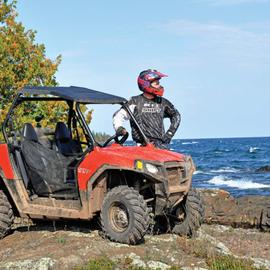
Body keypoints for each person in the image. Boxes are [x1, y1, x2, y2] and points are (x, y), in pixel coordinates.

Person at [113, 69, 181, 148]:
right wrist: (119, 128)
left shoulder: (163, 102)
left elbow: (176, 115)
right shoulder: (134, 102)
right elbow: (118, 116)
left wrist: (169, 134)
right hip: (141, 146)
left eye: (159, 83)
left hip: (160, 146)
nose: (159, 86)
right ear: (146, 84)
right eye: (156, 83)